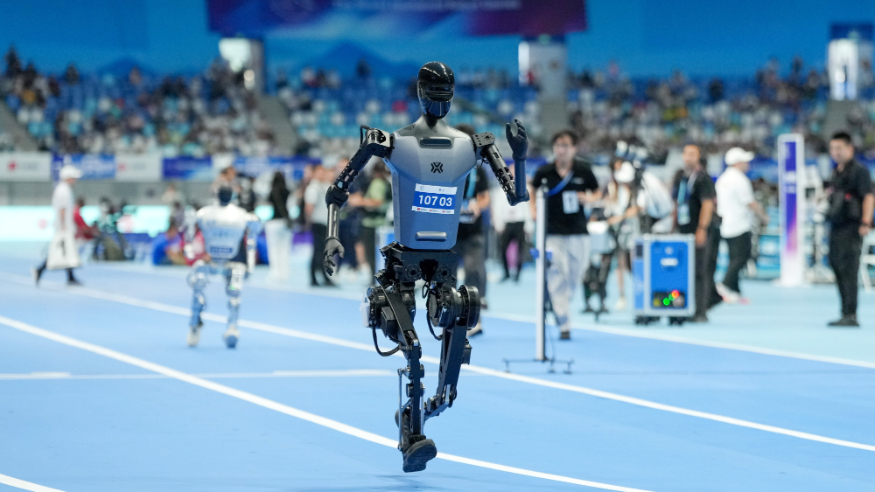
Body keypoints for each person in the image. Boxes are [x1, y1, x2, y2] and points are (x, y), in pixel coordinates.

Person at [530, 129, 601, 340]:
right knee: (556, 273)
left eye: (566, 146)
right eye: (558, 145)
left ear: (574, 148)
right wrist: (533, 210)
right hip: (552, 233)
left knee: (575, 275)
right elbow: (532, 190)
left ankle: (559, 304)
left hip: (578, 232)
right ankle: (564, 323)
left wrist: (589, 199)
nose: (561, 150)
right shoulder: (544, 171)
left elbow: (597, 191)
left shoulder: (583, 170)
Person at [186, 186, 261, 348]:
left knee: (235, 290)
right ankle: (194, 323)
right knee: (199, 283)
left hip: (233, 263)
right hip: (210, 261)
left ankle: (232, 327)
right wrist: (191, 255)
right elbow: (189, 233)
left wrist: (249, 265)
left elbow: (251, 242)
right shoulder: (205, 213)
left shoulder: (241, 215)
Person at [825, 132, 875, 327]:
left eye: (839, 148)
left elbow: (868, 196)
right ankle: (844, 312)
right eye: (832, 148)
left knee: (849, 269)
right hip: (836, 225)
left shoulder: (859, 171)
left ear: (849, 148)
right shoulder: (836, 171)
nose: (835, 152)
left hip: (852, 226)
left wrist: (866, 221)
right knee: (836, 265)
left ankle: (851, 313)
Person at [672, 144, 720, 322]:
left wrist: (702, 229)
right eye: (686, 153)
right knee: (684, 270)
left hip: (699, 231)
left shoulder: (703, 178)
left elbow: (708, 205)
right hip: (683, 230)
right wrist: (672, 227)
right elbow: (677, 202)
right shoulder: (681, 176)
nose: (688, 157)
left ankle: (701, 311)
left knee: (700, 271)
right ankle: (683, 306)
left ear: (699, 157)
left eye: (692, 154)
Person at [715, 147, 769, 303]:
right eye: (745, 161)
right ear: (738, 162)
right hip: (739, 224)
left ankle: (735, 289)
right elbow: (750, 202)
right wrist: (764, 217)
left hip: (726, 223)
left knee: (734, 257)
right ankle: (725, 285)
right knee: (741, 257)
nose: (748, 164)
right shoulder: (739, 179)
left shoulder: (723, 178)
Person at [454, 123, 490, 336]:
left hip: (473, 231)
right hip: (448, 232)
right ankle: (448, 316)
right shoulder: (443, 167)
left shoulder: (478, 170)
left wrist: (477, 206)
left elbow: (485, 198)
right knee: (446, 276)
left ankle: (473, 319)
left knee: (474, 272)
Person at [33, 165, 83, 286]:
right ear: (68, 177)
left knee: (66, 252)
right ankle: (40, 270)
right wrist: (63, 225)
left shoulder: (63, 188)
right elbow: (62, 209)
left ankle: (70, 277)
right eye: (73, 177)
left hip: (64, 226)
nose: (75, 180)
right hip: (63, 228)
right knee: (61, 251)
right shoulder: (63, 190)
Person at [348, 160, 391, 280]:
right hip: (381, 222)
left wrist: (359, 202)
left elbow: (377, 202)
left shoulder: (378, 183)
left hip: (372, 223)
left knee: (371, 252)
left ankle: (374, 277)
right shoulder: (386, 183)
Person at [492, 163, 530, 282]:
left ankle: (518, 274)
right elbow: (497, 208)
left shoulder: (525, 188)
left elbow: (528, 208)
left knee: (520, 250)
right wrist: (498, 224)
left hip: (520, 222)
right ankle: (506, 273)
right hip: (507, 223)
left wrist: (529, 226)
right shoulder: (501, 190)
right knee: (502, 248)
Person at [304, 163, 336, 287]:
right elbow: (309, 207)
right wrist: (309, 221)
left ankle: (323, 276)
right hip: (318, 223)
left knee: (323, 252)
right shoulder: (313, 188)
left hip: (325, 222)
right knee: (317, 251)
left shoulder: (323, 186)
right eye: (320, 172)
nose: (322, 175)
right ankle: (313, 277)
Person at [264, 171, 292, 282]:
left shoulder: (272, 192)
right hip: (285, 222)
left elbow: (267, 206)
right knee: (284, 248)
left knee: (273, 249)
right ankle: (284, 272)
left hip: (274, 223)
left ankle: (275, 272)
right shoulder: (288, 192)